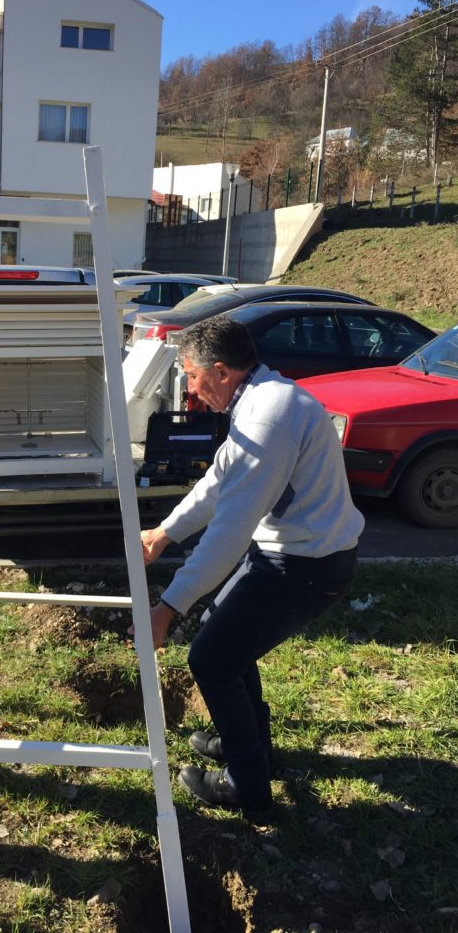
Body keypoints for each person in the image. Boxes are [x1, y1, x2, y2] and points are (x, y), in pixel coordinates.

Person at [140, 315, 364, 814]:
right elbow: (220, 479)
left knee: (212, 659)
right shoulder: (262, 398)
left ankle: (247, 785)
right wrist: (165, 532)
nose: (191, 392)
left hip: (308, 564)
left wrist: (167, 606)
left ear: (221, 371)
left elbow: (229, 532)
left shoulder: (268, 418)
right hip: (290, 551)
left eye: (191, 376)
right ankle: (254, 750)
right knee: (225, 644)